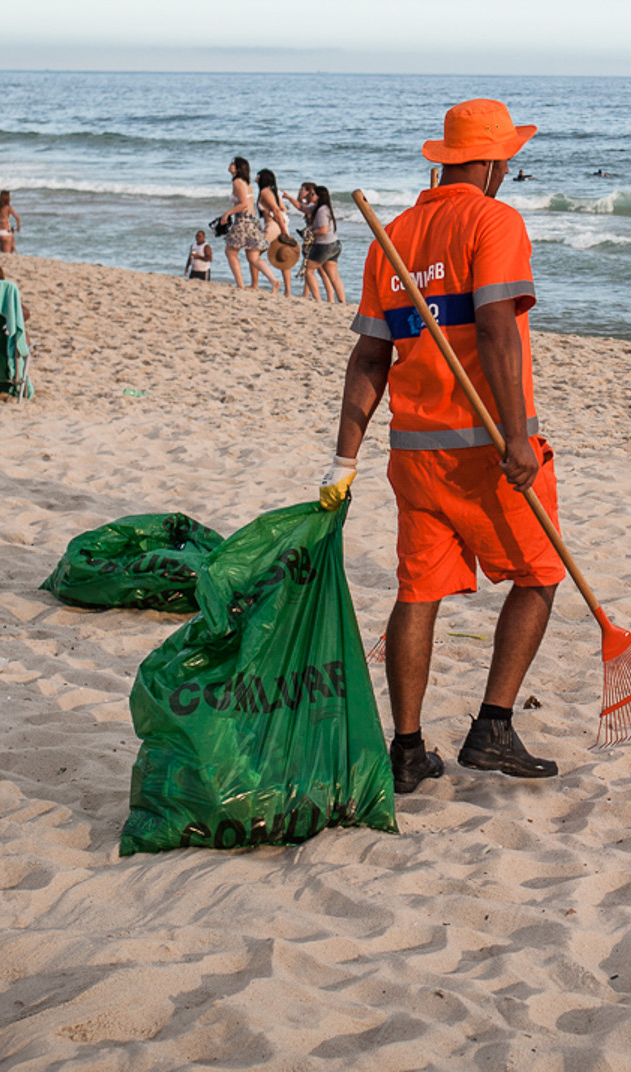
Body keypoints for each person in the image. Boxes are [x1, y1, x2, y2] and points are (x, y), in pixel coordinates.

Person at [320, 98, 563, 792]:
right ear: (489, 162)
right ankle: (490, 727)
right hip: (482, 446)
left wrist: (343, 460)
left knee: (417, 594)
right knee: (539, 575)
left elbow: (369, 360)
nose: (508, 172)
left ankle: (407, 748)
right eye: (507, 162)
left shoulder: (394, 233)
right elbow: (493, 329)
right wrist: (516, 437)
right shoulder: (494, 219)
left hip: (413, 449)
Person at [218, 157, 271, 290]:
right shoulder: (245, 182)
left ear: (238, 168)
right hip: (252, 220)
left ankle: (240, 284)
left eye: (232, 164)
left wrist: (227, 213)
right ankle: (273, 280)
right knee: (253, 256)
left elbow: (243, 204)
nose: (230, 165)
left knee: (230, 251)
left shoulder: (237, 182)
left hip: (243, 220)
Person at [299, 182, 345, 304]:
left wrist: (311, 232)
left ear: (318, 196)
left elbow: (323, 230)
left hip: (324, 245)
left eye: (313, 194)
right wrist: (297, 197)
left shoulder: (321, 210)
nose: (311, 195)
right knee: (334, 276)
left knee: (308, 270)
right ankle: (342, 301)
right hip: (335, 244)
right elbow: (302, 208)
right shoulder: (324, 208)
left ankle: (317, 299)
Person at [257, 168, 298, 296]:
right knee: (284, 259)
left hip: (273, 227)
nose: (256, 176)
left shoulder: (264, 192)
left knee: (254, 254)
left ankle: (262, 283)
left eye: (259, 175)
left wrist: (283, 229)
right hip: (280, 226)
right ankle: (288, 291)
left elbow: (276, 210)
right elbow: (282, 209)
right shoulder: (273, 192)